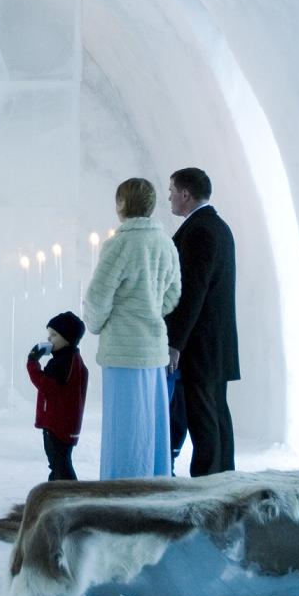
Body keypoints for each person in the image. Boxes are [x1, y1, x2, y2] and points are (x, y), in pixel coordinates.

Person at [83, 178, 181, 479]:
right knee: (150, 427)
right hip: (153, 349)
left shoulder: (120, 244)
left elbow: (97, 297)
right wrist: (151, 310)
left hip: (123, 350)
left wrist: (96, 324)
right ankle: (153, 487)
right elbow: (173, 293)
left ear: (121, 204)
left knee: (124, 430)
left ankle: (122, 491)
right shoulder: (166, 244)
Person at [164, 167, 239, 475]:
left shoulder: (200, 230)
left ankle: (208, 482)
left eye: (171, 191)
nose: (169, 197)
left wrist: (175, 343)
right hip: (215, 343)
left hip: (201, 343)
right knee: (217, 415)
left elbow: (193, 291)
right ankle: (223, 478)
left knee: (204, 419)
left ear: (185, 194)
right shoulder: (218, 226)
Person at [26, 311, 89, 481]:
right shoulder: (75, 359)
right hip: (67, 424)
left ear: (68, 338)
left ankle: (68, 493)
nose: (49, 339)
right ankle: (58, 490)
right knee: (60, 463)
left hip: (56, 425)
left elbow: (46, 385)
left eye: (54, 335)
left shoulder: (62, 362)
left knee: (59, 465)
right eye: (49, 334)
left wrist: (32, 362)